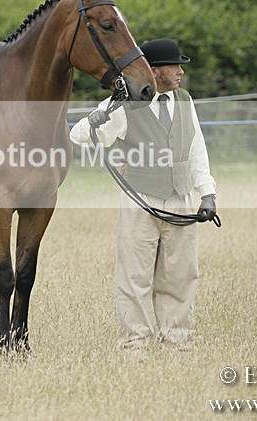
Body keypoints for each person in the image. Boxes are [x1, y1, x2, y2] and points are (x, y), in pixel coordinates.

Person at [70, 39, 217, 353]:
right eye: (174, 66)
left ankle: (177, 343)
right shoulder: (126, 105)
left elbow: (196, 150)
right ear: (153, 70)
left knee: (181, 274)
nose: (180, 72)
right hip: (141, 200)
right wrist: (101, 115)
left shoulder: (185, 100)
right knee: (135, 277)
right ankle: (135, 344)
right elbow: (79, 134)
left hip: (181, 200)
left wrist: (207, 194)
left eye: (180, 66)